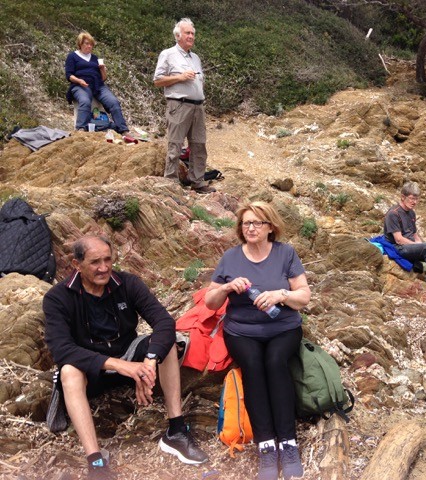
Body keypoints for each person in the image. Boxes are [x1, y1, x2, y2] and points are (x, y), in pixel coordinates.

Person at [43, 235, 208, 480]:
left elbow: (164, 321)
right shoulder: (58, 297)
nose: (104, 268)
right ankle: (96, 461)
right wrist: (121, 366)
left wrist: (149, 362)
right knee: (68, 370)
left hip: (129, 354)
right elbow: (61, 349)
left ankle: (176, 430)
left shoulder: (127, 283)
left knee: (167, 344)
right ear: (76, 264)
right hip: (92, 370)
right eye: (95, 262)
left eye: (108, 259)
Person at [204, 202, 311, 480]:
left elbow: (304, 296)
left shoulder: (285, 253)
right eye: (246, 223)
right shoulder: (230, 258)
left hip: (283, 327)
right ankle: (266, 444)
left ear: (270, 227)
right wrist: (226, 287)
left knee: (275, 362)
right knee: (252, 364)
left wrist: (281, 295)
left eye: (257, 223)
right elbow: (210, 302)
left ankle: (287, 442)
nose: (250, 228)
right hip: (242, 331)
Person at [153, 18, 216, 194]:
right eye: (188, 33)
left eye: (193, 34)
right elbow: (158, 81)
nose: (191, 36)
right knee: (175, 145)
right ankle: (171, 182)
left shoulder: (195, 57)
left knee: (199, 144)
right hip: (178, 105)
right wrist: (179, 77)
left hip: (198, 107)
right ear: (178, 36)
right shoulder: (168, 54)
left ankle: (198, 181)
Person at [65, 32, 130, 134]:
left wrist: (102, 69)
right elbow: (69, 75)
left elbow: (103, 78)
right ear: (80, 44)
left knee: (113, 102)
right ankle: (80, 129)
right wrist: (79, 81)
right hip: (80, 84)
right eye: (86, 43)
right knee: (85, 101)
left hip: (97, 85)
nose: (89, 46)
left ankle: (123, 129)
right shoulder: (72, 56)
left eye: (91, 44)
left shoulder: (95, 58)